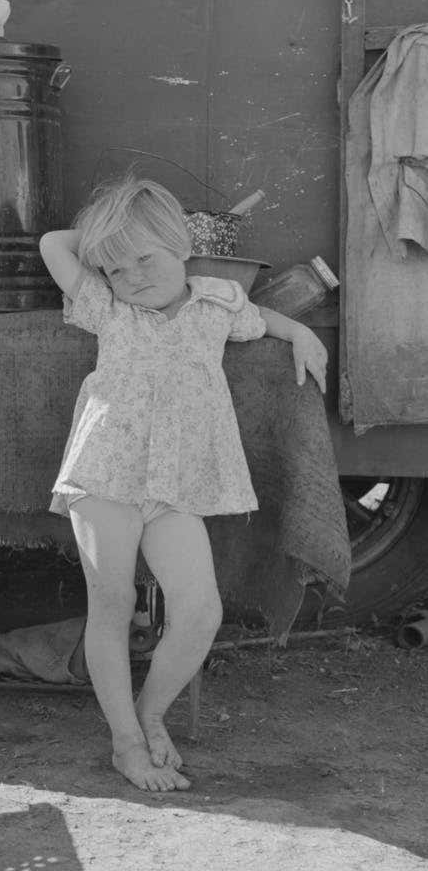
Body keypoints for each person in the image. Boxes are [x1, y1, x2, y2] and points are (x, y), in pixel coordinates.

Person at [39, 174, 328, 793]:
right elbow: (51, 244)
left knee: (200, 611)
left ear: (182, 248)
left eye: (146, 258)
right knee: (111, 605)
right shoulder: (105, 306)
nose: (134, 276)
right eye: (116, 268)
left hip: (176, 484)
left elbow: (261, 320)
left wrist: (300, 332)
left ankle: (150, 715)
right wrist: (105, 238)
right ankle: (124, 742)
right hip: (107, 473)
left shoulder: (218, 302)